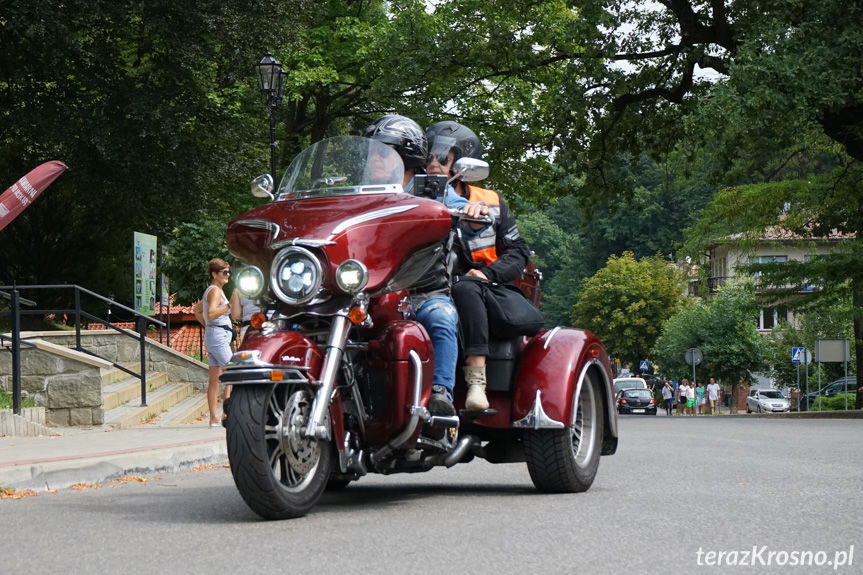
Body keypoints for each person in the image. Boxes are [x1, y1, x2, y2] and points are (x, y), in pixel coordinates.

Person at [363, 115, 482, 417]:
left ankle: (441, 393)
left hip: (423, 291)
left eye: (385, 151)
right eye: (373, 151)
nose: (376, 158)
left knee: (442, 318)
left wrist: (470, 209)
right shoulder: (360, 190)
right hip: (364, 292)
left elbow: (455, 205)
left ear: (407, 157)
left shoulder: (433, 189)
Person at [425, 120, 532, 410]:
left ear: (460, 163)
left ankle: (476, 379)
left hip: (479, 285)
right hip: (420, 282)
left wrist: (487, 272)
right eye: (428, 156)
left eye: (442, 157)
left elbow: (518, 250)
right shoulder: (408, 192)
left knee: (466, 288)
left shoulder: (489, 201)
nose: (434, 163)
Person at [193, 258, 234, 427]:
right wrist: (229, 305)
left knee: (214, 380)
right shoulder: (215, 291)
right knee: (233, 373)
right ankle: (227, 414)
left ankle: (213, 418)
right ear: (214, 274)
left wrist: (209, 327)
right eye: (224, 272)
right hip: (218, 338)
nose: (227, 275)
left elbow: (197, 310)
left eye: (228, 272)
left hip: (215, 336)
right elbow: (211, 313)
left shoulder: (212, 291)